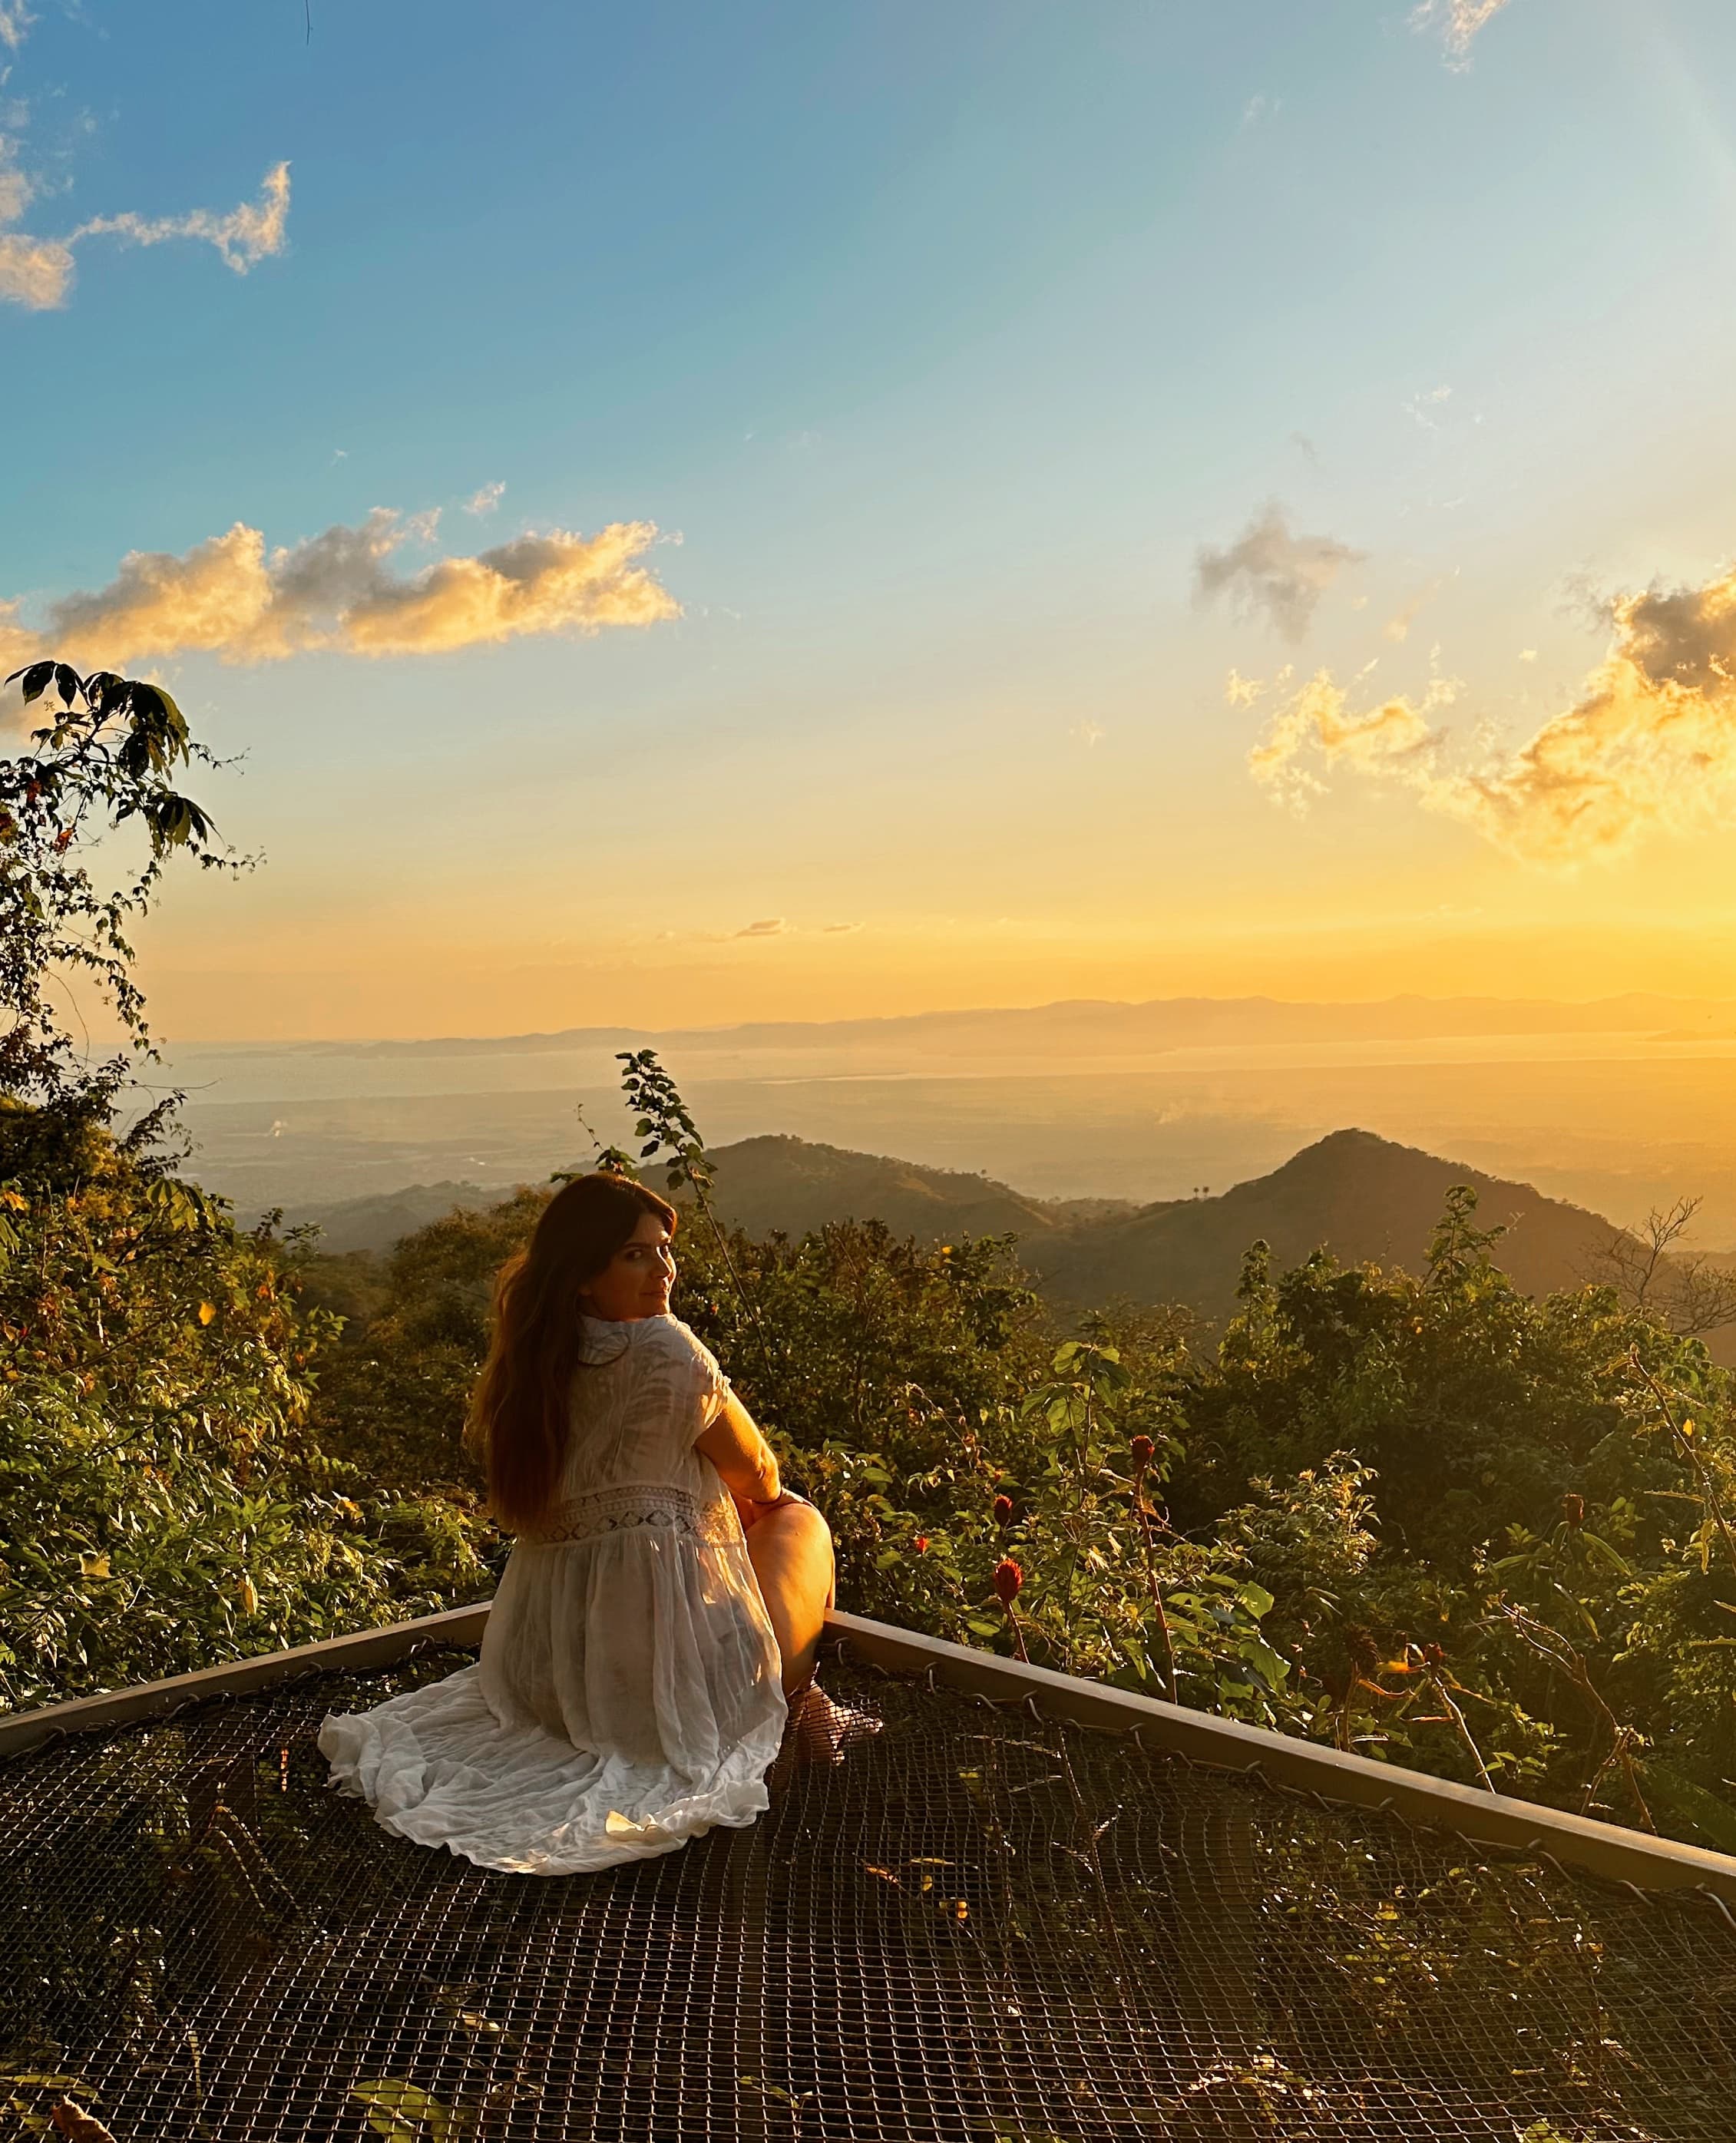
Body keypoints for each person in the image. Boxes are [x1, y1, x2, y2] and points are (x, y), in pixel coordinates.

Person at [319, 1172, 848, 1875]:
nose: (662, 1268)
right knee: (796, 1517)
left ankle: (794, 1712)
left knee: (704, 1509)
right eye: (634, 1253)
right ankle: (799, 1718)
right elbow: (761, 1474)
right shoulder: (667, 1351)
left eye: (663, 1249)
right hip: (661, 1683)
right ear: (581, 1275)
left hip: (553, 1674)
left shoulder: (532, 1365)